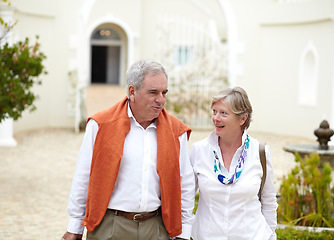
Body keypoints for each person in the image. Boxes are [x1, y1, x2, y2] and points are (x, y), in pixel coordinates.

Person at [62, 59, 195, 240]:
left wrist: (183, 233)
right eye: (153, 92)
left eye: (164, 93)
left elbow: (185, 184)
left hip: (157, 228)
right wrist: (75, 226)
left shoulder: (176, 131)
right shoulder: (100, 125)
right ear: (132, 91)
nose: (161, 100)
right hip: (109, 226)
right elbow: (83, 176)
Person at [189, 87, 278, 240]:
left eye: (223, 113)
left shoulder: (260, 152)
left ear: (242, 118)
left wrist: (270, 234)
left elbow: (269, 201)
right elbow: (185, 198)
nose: (216, 118)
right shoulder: (199, 151)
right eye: (214, 111)